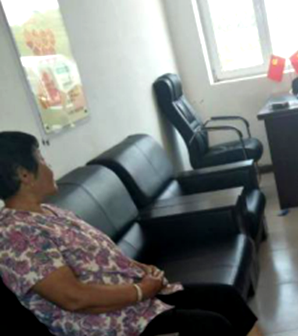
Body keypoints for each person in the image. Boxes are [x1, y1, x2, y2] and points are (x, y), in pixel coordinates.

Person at [0, 131, 262, 336]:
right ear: (24, 175)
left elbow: (101, 256)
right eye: (41, 159)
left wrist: (141, 269)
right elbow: (73, 297)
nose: (48, 165)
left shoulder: (50, 211)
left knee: (225, 298)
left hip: (135, 299)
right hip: (112, 324)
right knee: (210, 327)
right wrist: (140, 290)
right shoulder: (15, 235)